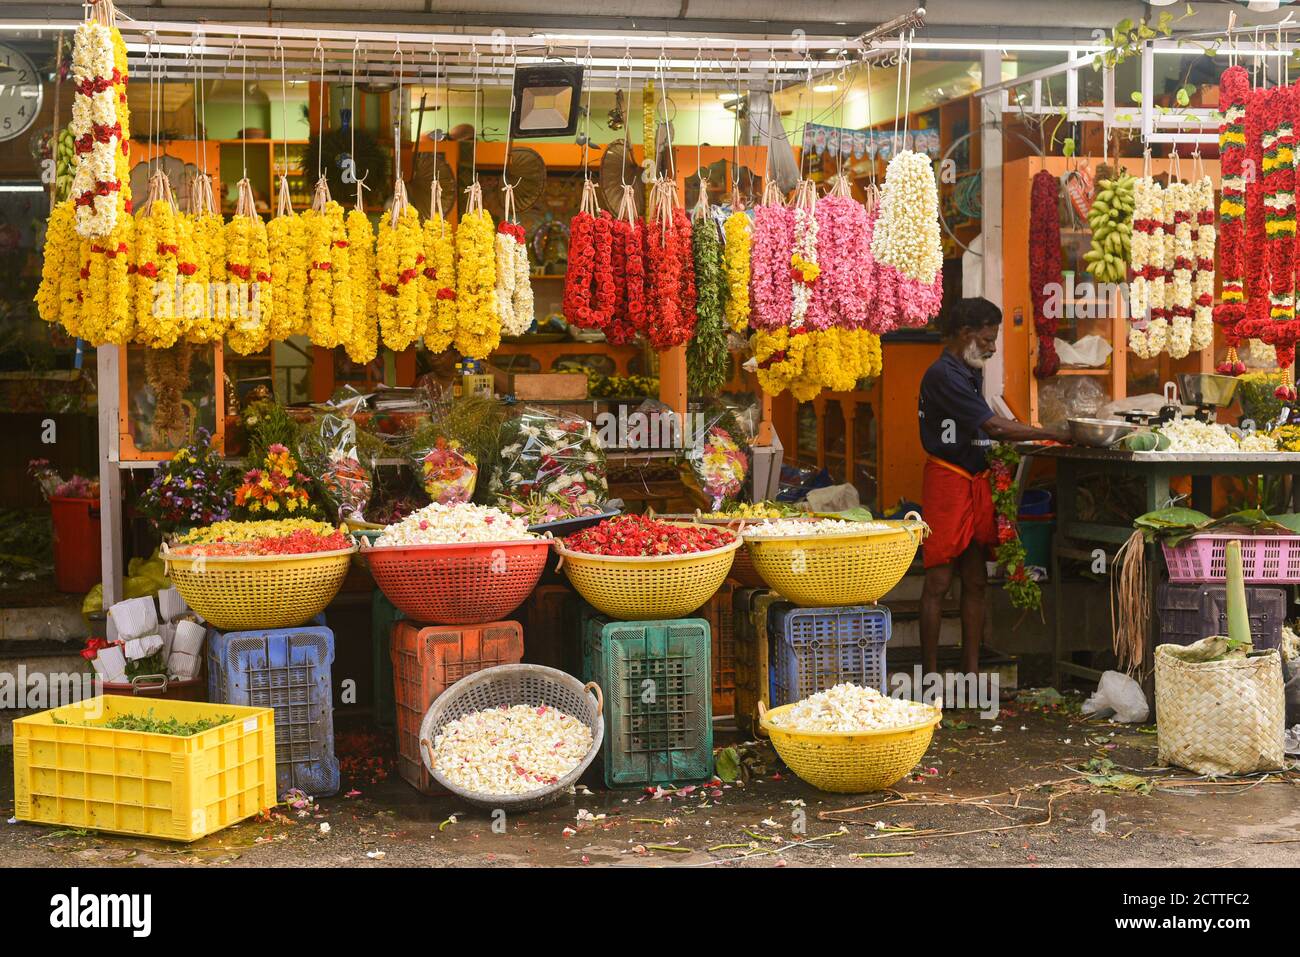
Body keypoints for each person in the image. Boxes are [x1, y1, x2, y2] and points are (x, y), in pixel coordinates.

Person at [917, 297, 1068, 679]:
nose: (993, 347)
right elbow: (993, 426)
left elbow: (985, 425)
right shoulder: (943, 374)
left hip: (975, 480)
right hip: (948, 481)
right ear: (966, 334)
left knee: (976, 580)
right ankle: (931, 674)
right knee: (937, 580)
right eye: (987, 339)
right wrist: (1051, 432)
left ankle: (970, 672)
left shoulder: (970, 367)